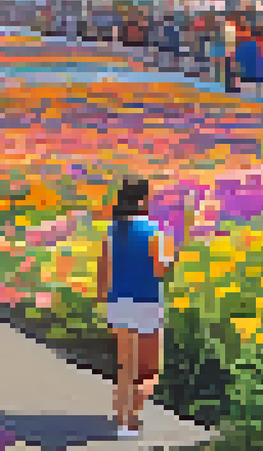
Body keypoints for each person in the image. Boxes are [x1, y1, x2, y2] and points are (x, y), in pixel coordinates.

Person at [96, 178, 173, 439]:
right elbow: (159, 270)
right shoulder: (153, 230)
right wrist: (171, 258)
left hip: (118, 303)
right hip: (147, 301)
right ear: (142, 200)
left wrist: (101, 299)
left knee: (124, 368)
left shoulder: (112, 230)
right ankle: (135, 413)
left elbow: (103, 269)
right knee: (150, 371)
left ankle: (123, 424)